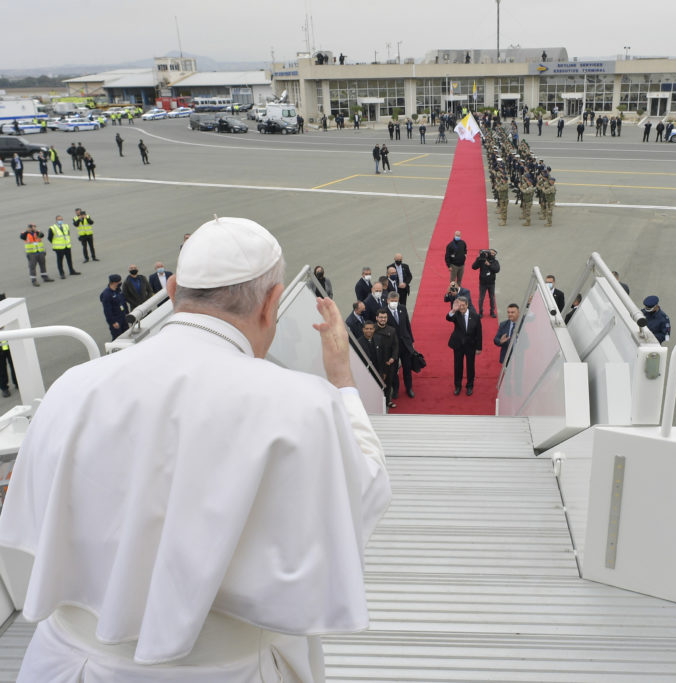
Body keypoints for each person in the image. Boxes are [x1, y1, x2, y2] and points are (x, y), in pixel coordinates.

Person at [0, 217, 391, 681]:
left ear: (171, 290)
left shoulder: (71, 388)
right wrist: (343, 381)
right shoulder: (304, 406)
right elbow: (363, 495)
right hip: (231, 670)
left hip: (69, 664)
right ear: (271, 303)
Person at [446, 295, 482, 396]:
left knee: (470, 367)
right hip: (458, 345)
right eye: (459, 305)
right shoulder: (456, 314)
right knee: (458, 366)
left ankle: (469, 386)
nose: (461, 307)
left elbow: (479, 333)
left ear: (467, 305)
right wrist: (453, 309)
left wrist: (479, 347)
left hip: (470, 346)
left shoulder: (475, 316)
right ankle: (458, 386)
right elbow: (448, 318)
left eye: (463, 305)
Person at [384, 291, 416, 398]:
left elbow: (407, 325)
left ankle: (409, 388)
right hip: (393, 347)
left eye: (396, 301)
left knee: (407, 368)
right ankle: (396, 389)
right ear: (388, 301)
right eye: (392, 301)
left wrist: (411, 341)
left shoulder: (402, 308)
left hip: (405, 345)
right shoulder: (384, 313)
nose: (394, 303)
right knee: (393, 370)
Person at [372, 309, 400, 408]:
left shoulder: (392, 330)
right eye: (381, 317)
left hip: (389, 363)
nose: (383, 319)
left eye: (385, 317)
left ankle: (387, 400)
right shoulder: (372, 330)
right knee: (376, 383)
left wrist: (393, 357)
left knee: (388, 383)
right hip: (376, 363)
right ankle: (376, 402)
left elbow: (396, 345)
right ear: (376, 318)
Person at [472, 248, 500, 317]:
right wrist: (478, 259)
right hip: (483, 283)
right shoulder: (482, 260)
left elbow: (497, 269)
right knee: (481, 298)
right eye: (491, 252)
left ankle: (492, 312)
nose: (492, 254)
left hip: (491, 283)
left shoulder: (495, 261)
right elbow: (474, 267)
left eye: (494, 253)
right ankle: (480, 312)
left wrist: (489, 264)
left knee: (492, 298)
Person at [100, 273, 129, 339]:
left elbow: (123, 302)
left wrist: (127, 313)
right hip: (116, 320)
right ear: (114, 283)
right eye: (119, 282)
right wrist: (113, 322)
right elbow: (107, 310)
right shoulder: (107, 294)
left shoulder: (118, 290)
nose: (120, 283)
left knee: (127, 335)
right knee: (118, 338)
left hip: (123, 317)